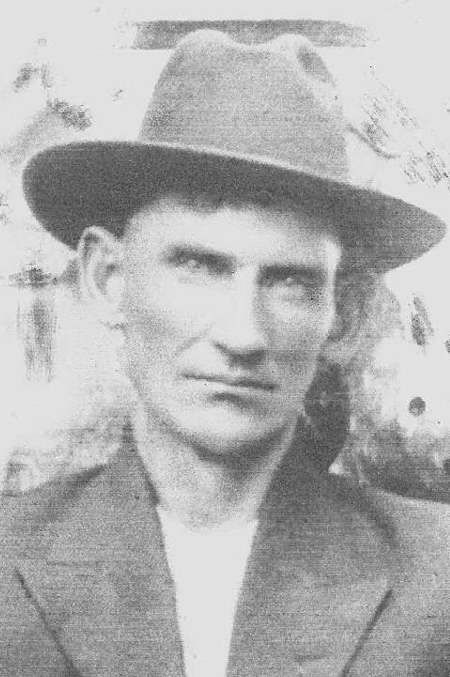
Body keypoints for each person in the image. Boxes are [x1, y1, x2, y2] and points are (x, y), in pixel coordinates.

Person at [1, 29, 450, 677]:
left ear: (342, 316)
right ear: (109, 278)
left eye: (290, 281)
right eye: (198, 265)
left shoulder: (437, 580)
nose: (243, 334)